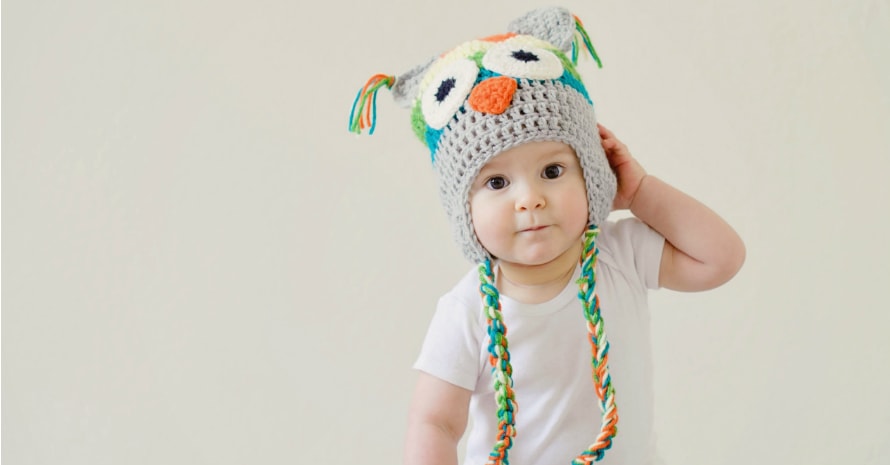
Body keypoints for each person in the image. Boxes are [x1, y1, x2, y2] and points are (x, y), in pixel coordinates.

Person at [348, 6, 745, 465]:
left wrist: (639, 191)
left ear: (592, 173)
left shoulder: (622, 254)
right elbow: (434, 422)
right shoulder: (468, 310)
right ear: (464, 209)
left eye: (553, 171)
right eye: (497, 183)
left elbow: (721, 258)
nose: (530, 199)